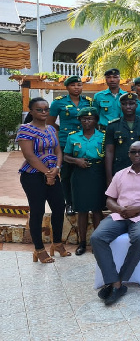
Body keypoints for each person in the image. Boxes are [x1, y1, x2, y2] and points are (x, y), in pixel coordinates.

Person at [91, 141, 140, 306]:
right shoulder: (120, 174)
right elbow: (109, 199)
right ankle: (114, 282)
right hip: (120, 215)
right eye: (133, 152)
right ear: (129, 154)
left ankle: (119, 280)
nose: (137, 155)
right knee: (97, 237)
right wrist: (118, 208)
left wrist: (137, 210)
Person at [16, 97, 71, 263]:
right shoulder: (25, 129)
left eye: (46, 109)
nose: (44, 112)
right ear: (31, 111)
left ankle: (57, 244)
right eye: (39, 109)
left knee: (59, 207)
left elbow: (58, 152)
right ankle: (39, 249)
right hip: (32, 176)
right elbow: (29, 156)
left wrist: (56, 170)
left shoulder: (51, 129)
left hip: (53, 174)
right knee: (37, 211)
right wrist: (48, 173)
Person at [47, 75, 93, 216]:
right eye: (73, 85)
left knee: (83, 173)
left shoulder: (88, 102)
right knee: (66, 174)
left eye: (79, 85)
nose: (76, 88)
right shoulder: (58, 103)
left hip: (84, 141)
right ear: (67, 87)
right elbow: (50, 122)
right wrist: (62, 131)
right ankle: (69, 203)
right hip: (65, 142)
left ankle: (83, 202)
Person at [63, 107, 106, 256]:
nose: (87, 121)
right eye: (84, 119)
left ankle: (97, 242)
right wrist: (76, 160)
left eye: (90, 119)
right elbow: (65, 156)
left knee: (97, 209)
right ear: (80, 121)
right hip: (80, 174)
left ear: (96, 120)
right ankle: (82, 243)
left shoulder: (103, 136)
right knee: (81, 210)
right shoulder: (73, 137)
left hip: (97, 173)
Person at [104, 92, 140, 182]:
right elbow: (109, 151)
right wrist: (109, 177)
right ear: (120, 106)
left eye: (131, 104)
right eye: (124, 104)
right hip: (121, 168)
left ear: (136, 105)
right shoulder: (113, 126)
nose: (128, 107)